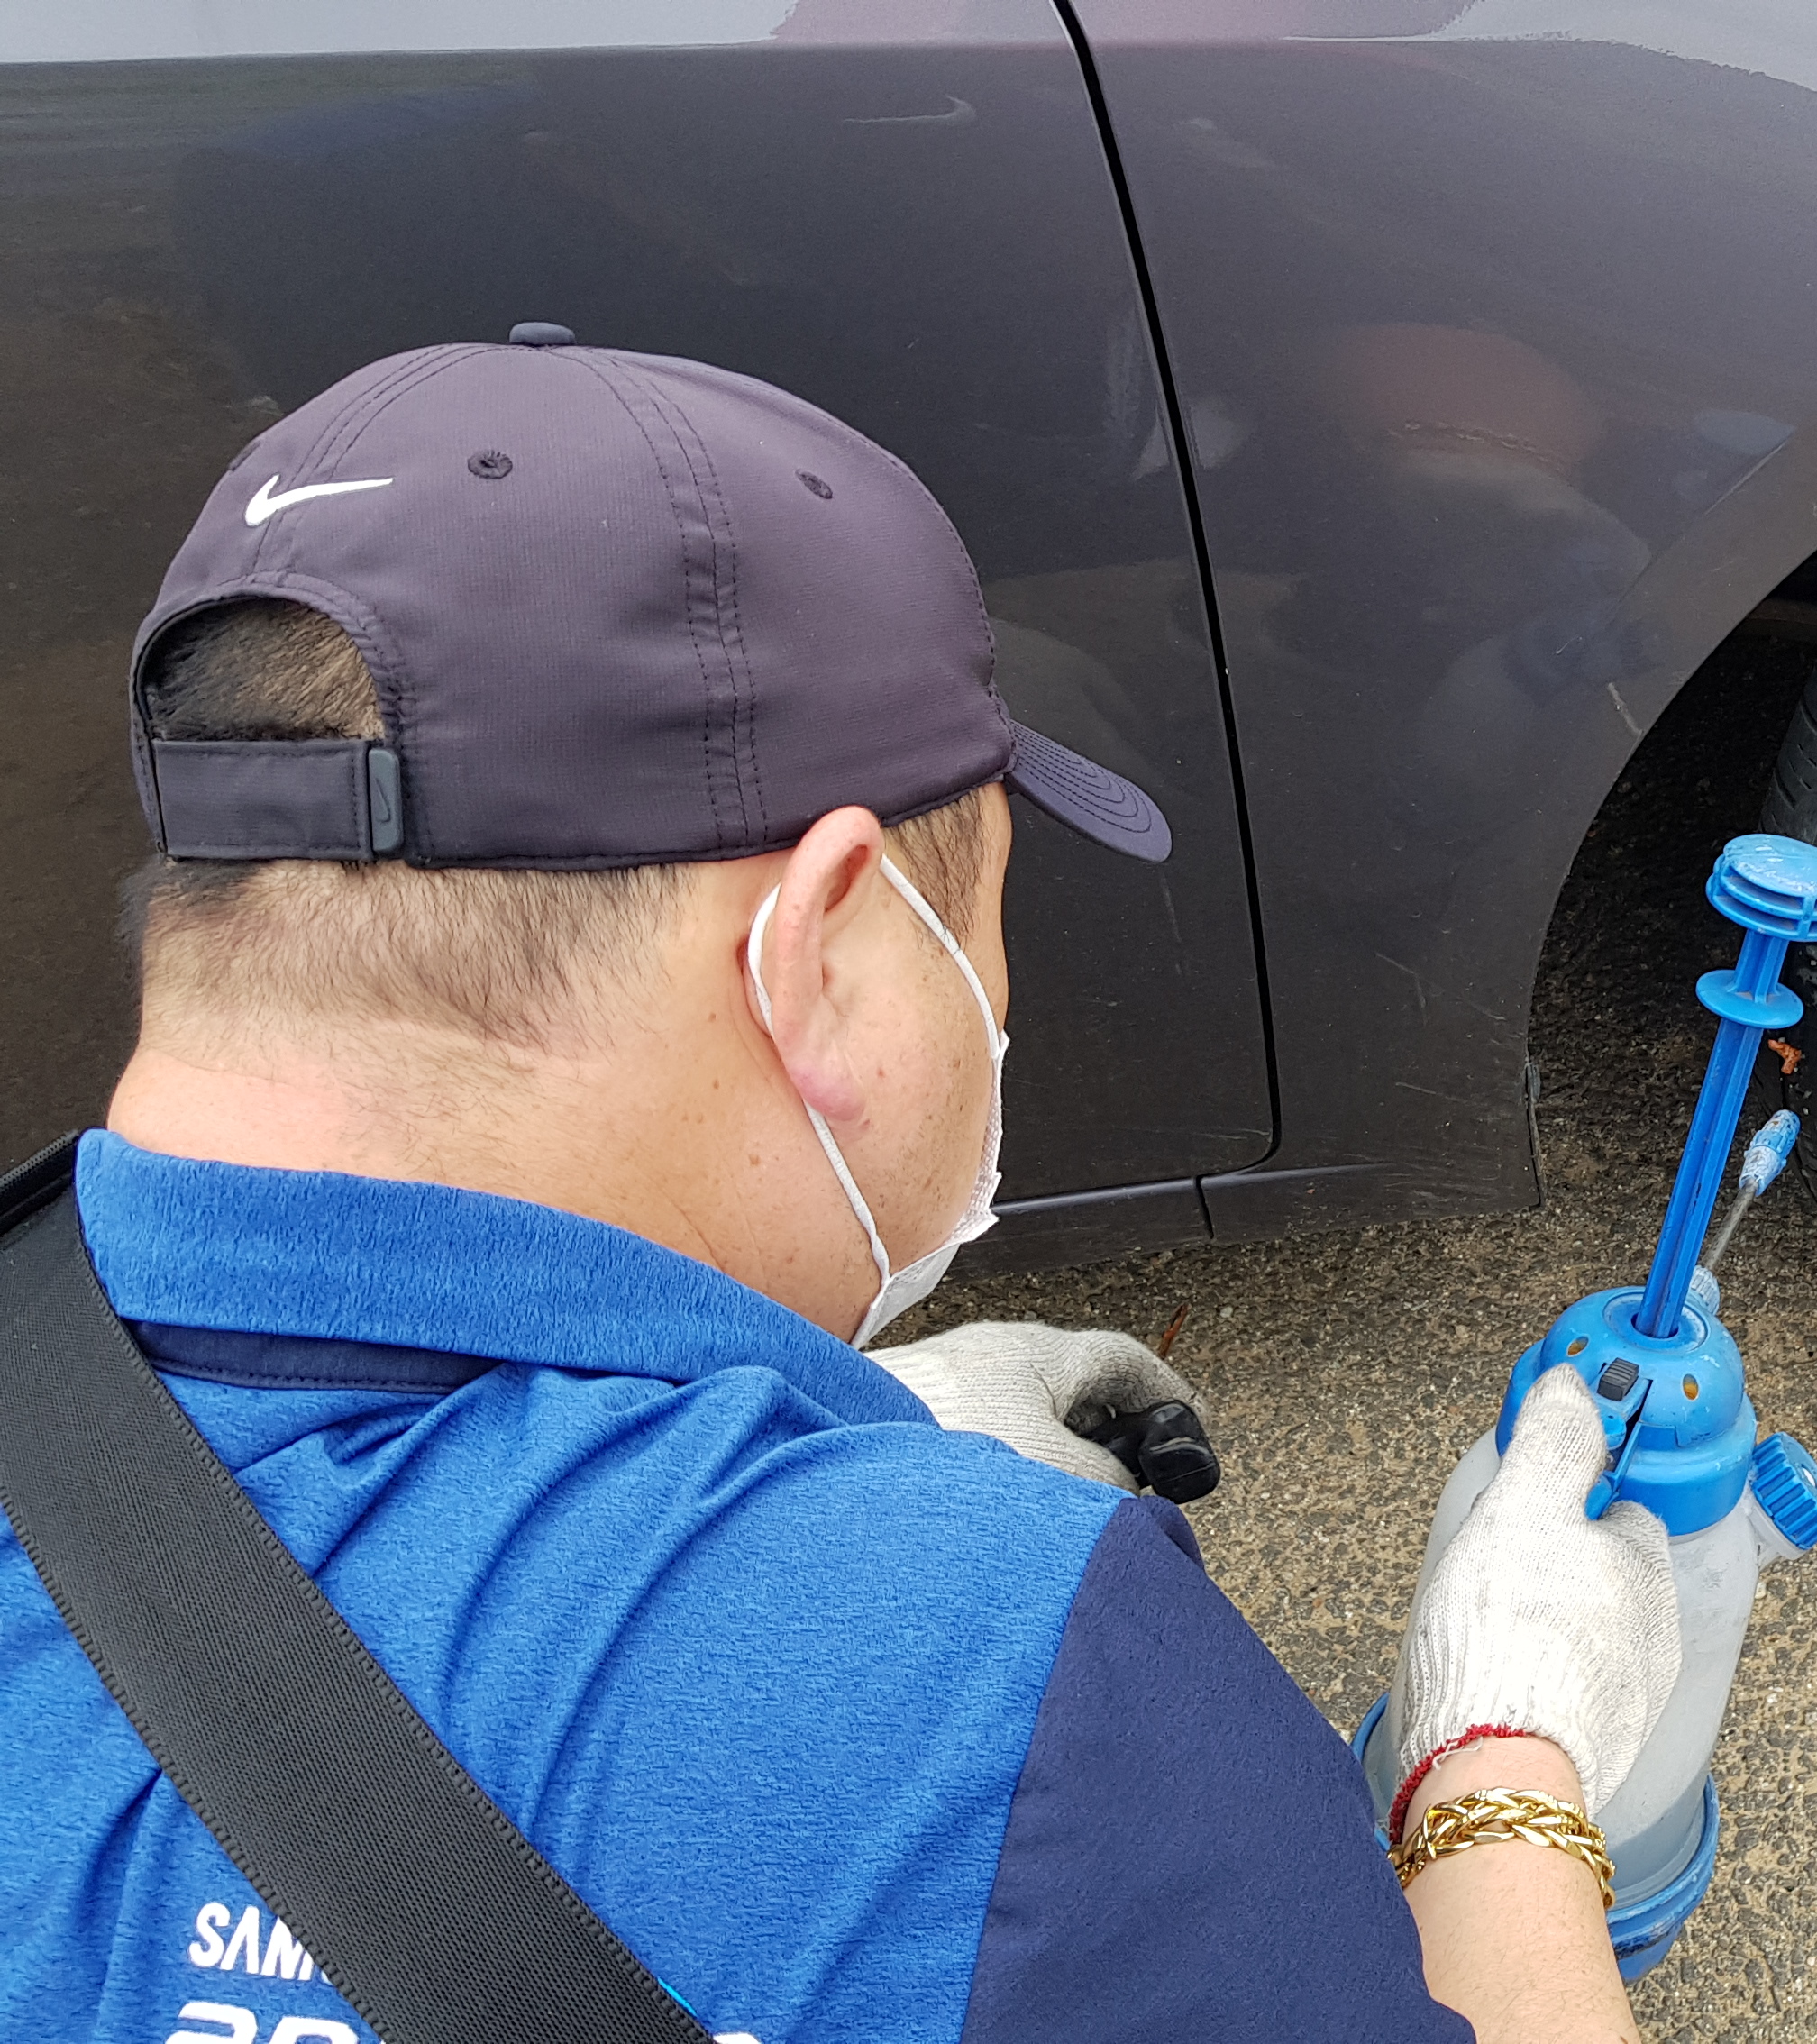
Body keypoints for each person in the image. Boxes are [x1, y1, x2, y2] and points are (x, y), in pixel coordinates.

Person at [0, 334, 1679, 2043]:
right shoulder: (1009, 1697)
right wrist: (1503, 1776)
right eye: (988, 913)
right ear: (822, 952)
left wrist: (826, 1446)